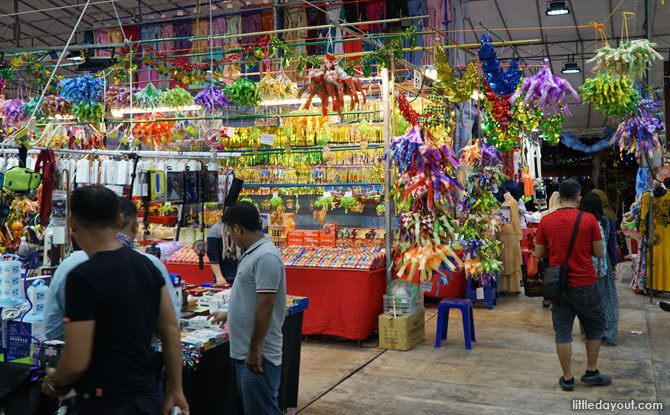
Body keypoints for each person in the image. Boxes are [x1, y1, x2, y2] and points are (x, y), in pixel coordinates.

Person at [40, 186, 189, 415]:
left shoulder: (82, 277)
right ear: (119, 221)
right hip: (146, 395)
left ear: (73, 224)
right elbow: (170, 330)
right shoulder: (149, 266)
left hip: (103, 401)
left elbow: (77, 360)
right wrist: (175, 389)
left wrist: (55, 381)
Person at [45, 197, 180, 340]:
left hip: (86, 356)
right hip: (139, 357)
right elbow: (170, 327)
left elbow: (52, 329)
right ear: (133, 226)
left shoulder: (70, 265)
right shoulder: (152, 265)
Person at [208, 202, 286, 415]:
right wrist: (229, 314)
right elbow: (253, 298)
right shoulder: (253, 253)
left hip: (258, 356)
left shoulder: (265, 256)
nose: (230, 238)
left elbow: (266, 306)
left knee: (262, 410)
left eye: (230, 232)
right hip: (246, 352)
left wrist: (254, 350)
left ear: (238, 229)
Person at [534, 179, 610, 391]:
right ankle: (591, 370)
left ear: (558, 198)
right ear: (579, 198)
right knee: (595, 327)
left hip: (559, 285)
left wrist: (555, 250)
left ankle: (567, 377)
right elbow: (599, 252)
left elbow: (538, 253)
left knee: (563, 332)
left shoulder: (546, 221)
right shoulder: (589, 220)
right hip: (586, 282)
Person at [581, 192, 620, 345]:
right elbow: (611, 246)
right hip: (604, 266)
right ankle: (608, 331)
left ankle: (589, 331)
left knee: (587, 301)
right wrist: (614, 264)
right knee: (608, 300)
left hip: (585, 266)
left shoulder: (581, 221)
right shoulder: (607, 222)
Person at [207, 220, 238, 285]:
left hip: (241, 277)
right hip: (225, 278)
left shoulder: (243, 228)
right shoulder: (216, 229)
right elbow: (213, 255)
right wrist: (219, 276)